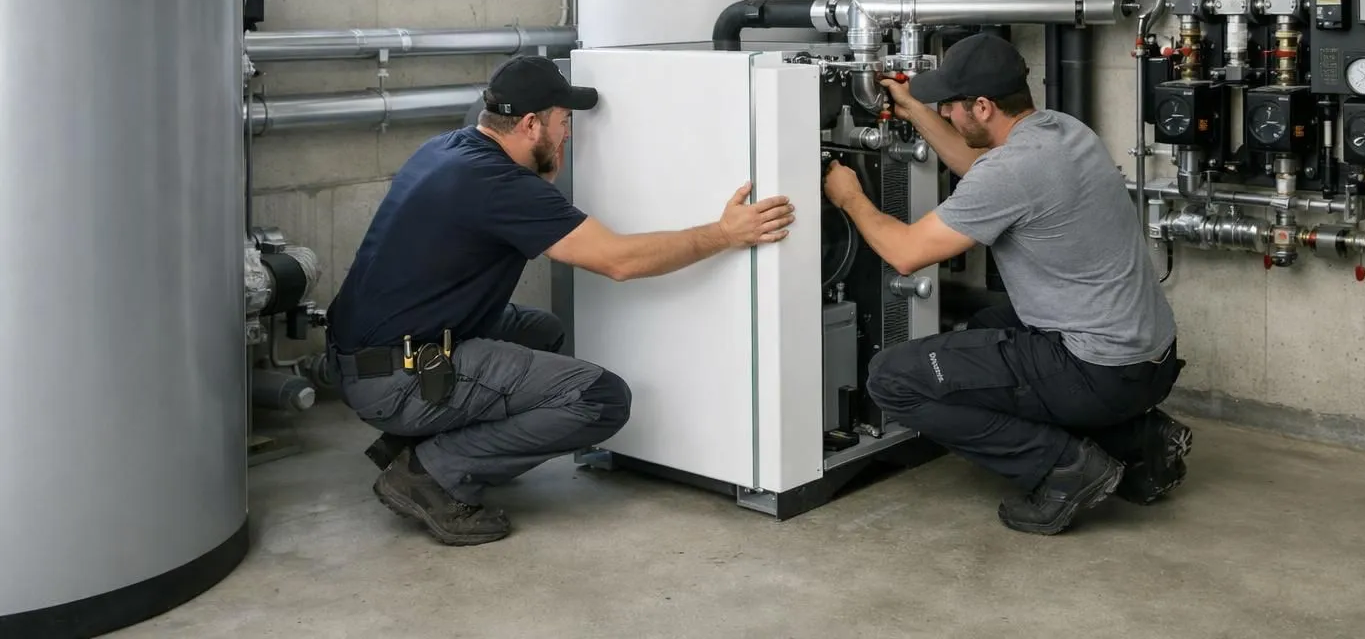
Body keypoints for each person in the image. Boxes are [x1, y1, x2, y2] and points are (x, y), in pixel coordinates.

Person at [325, 55, 796, 546]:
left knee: (541, 331)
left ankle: (419, 441)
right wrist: (724, 233)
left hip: (366, 356)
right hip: (396, 378)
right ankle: (430, 472)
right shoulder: (499, 186)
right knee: (599, 398)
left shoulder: (448, 149)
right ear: (531, 125)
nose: (569, 134)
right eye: (564, 122)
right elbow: (620, 261)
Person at [821, 32, 1188, 536]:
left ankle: (1065, 466)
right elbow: (981, 167)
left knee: (892, 379)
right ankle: (1138, 439)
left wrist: (849, 198)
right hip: (1148, 360)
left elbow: (905, 254)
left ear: (984, 106)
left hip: (1098, 371)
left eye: (951, 106)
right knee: (987, 323)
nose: (946, 113)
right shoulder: (1062, 131)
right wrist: (915, 112)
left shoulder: (1014, 172)